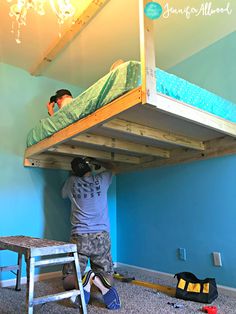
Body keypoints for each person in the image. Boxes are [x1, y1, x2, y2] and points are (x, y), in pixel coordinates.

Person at [62, 157, 121, 310]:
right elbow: (113, 167)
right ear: (89, 169)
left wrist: (73, 175)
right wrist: (96, 160)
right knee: (107, 274)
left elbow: (63, 194)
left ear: (75, 172)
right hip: (101, 236)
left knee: (68, 278)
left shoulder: (71, 182)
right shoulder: (102, 179)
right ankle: (100, 283)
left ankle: (84, 281)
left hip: (79, 237)